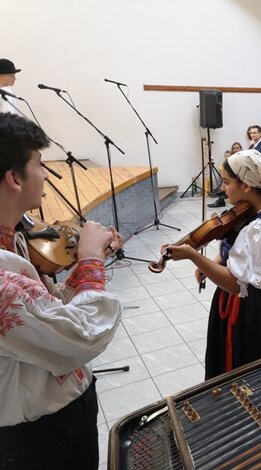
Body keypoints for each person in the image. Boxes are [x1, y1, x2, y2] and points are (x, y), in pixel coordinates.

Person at [0, 113, 123, 469]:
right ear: (13, 178)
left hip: (54, 424)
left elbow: (45, 311)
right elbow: (79, 336)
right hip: (41, 439)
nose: (45, 174)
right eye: (39, 163)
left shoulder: (14, 243)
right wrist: (89, 259)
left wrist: (91, 261)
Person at [162, 150, 261, 379]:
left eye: (226, 182)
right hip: (237, 302)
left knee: (251, 373)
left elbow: (237, 284)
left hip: (255, 308)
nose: (222, 188)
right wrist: (213, 262)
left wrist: (195, 256)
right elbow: (236, 252)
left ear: (246, 185)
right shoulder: (247, 213)